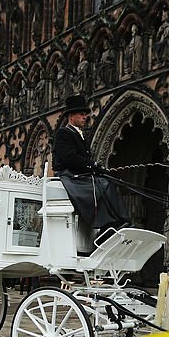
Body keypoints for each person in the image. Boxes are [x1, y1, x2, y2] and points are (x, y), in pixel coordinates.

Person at [52, 95, 130, 243]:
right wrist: (93, 166)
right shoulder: (64, 133)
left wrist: (97, 168)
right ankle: (109, 223)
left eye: (85, 114)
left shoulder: (79, 134)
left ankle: (117, 221)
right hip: (68, 175)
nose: (85, 117)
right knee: (104, 184)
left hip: (78, 173)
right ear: (71, 116)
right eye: (81, 114)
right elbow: (70, 158)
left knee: (108, 181)